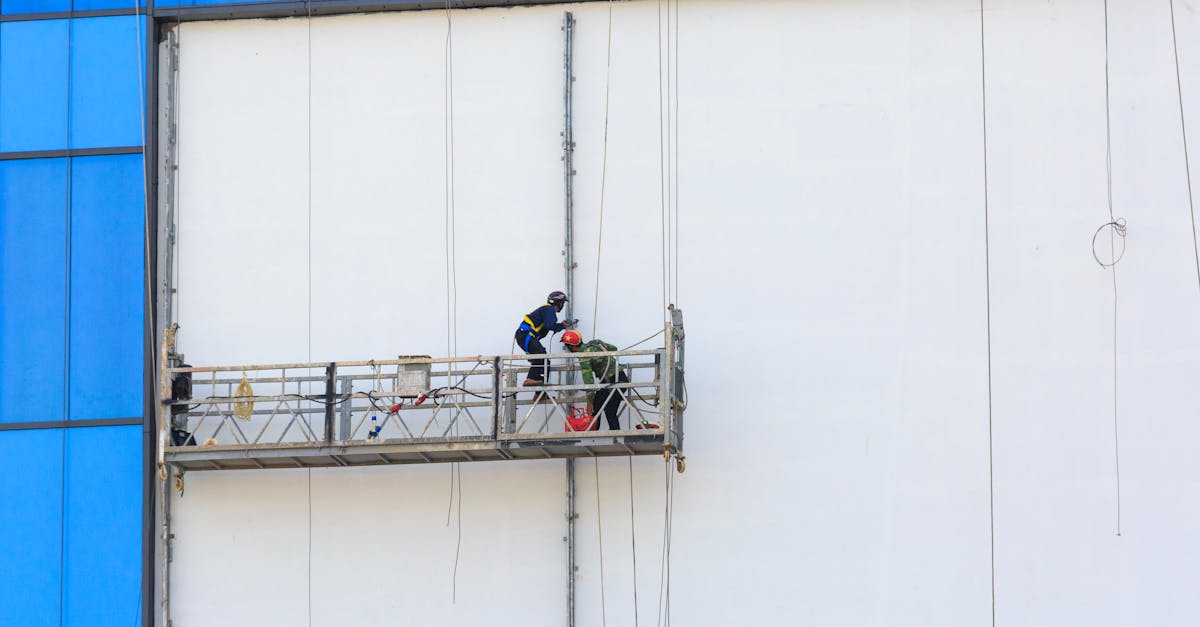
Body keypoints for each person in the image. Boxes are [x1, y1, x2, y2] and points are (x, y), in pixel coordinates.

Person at [561, 330, 628, 431]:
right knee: (610, 410)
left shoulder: (583, 356)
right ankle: (615, 432)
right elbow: (614, 348)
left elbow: (588, 379)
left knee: (595, 407)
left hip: (611, 382)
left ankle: (592, 433)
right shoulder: (596, 343)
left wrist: (589, 402)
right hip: (622, 379)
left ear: (571, 346)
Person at [515, 291, 574, 386]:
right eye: (562, 303)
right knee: (541, 354)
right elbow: (550, 325)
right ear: (558, 303)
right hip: (525, 335)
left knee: (545, 361)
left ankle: (540, 389)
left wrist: (561, 326)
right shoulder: (549, 309)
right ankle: (530, 379)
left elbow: (548, 327)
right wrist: (562, 326)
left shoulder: (547, 310)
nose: (563, 305)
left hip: (524, 336)